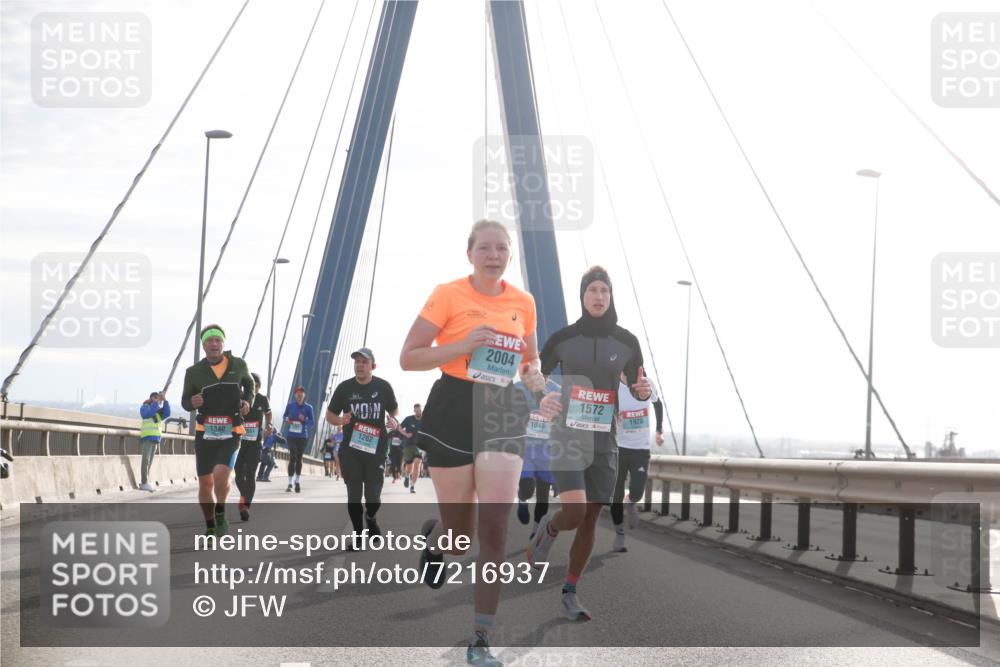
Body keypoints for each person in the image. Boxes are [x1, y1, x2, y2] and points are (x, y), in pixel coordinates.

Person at [400, 219, 545, 667]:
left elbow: (530, 358)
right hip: (455, 407)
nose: (494, 255)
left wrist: (534, 375)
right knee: (461, 538)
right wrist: (462, 343)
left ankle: (481, 638)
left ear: (509, 255)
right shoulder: (447, 294)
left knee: (495, 528)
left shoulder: (524, 301)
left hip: (502, 407)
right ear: (470, 254)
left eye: (502, 248)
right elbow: (409, 357)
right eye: (485, 247)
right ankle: (438, 541)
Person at [526, 266, 652, 621]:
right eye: (593, 290)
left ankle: (570, 591)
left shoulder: (626, 341)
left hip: (604, 442)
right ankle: (550, 527)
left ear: (610, 297)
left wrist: (642, 389)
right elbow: (536, 373)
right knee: (576, 511)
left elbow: (636, 380)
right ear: (582, 296)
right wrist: (541, 398)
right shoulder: (563, 338)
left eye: (605, 291)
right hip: (567, 437)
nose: (599, 297)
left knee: (590, 519)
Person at [181, 324, 255, 537]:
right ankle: (211, 524)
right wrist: (192, 402)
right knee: (206, 482)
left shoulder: (238, 365)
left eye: (218, 340)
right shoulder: (194, 372)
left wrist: (247, 402)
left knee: (221, 473)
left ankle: (221, 511)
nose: (214, 344)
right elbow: (185, 401)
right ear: (204, 345)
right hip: (205, 432)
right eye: (210, 341)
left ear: (223, 342)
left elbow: (250, 385)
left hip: (231, 430)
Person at [326, 347, 398, 545]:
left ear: (372, 366)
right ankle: (358, 535)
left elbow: (394, 411)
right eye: (357, 361)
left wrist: (393, 421)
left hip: (377, 449)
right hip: (351, 450)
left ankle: (371, 518)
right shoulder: (344, 388)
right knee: (354, 496)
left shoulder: (383, 387)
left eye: (364, 362)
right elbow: (330, 415)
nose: (359, 365)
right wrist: (341, 420)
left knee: (373, 497)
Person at [610, 372, 664, 551]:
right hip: (618, 448)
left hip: (641, 449)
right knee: (615, 496)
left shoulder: (646, 383)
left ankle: (631, 501)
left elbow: (657, 404)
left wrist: (659, 431)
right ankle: (619, 536)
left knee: (637, 491)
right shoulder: (613, 383)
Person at [513, 379, 560, 538]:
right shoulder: (518, 387)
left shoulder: (556, 390)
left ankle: (536, 530)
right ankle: (522, 499)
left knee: (543, 495)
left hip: (547, 451)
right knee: (527, 485)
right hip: (525, 447)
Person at [234, 373, 271, 522]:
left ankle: (245, 506)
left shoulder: (262, 399)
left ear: (259, 386)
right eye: (250, 386)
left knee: (250, 473)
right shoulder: (239, 398)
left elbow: (268, 413)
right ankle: (244, 496)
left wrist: (268, 424)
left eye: (255, 386)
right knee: (238, 473)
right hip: (239, 441)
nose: (253, 389)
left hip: (255, 443)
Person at [283, 386, 315, 493]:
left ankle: (297, 481)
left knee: (299, 458)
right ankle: (290, 483)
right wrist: (288, 420)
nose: (299, 396)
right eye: (297, 394)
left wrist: (304, 419)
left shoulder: (308, 408)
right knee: (293, 457)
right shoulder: (290, 406)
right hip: (291, 436)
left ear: (304, 396)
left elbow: (312, 422)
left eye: (301, 394)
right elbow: (284, 417)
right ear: (295, 396)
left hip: (302, 437)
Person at [138, 391, 170, 492]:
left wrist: (165, 400)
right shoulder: (145, 407)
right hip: (147, 438)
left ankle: (146, 481)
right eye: (155, 398)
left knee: (150, 462)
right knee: (146, 460)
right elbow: (149, 414)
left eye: (158, 398)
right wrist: (155, 403)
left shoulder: (157, 410)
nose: (157, 399)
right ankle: (144, 482)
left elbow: (167, 413)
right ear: (151, 398)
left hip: (155, 438)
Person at [400, 404, 423, 493]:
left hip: (419, 446)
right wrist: (405, 434)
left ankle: (412, 486)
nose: (418, 412)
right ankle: (406, 476)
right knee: (410, 467)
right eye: (416, 411)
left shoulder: (425, 420)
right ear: (414, 411)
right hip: (408, 445)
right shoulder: (408, 419)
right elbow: (399, 427)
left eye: (419, 410)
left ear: (421, 410)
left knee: (417, 463)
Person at [386, 417, 405, 482]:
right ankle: (394, 477)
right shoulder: (391, 432)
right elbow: (386, 437)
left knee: (399, 465)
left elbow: (405, 439)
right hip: (392, 451)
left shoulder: (402, 432)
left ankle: (398, 474)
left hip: (400, 451)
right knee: (393, 464)